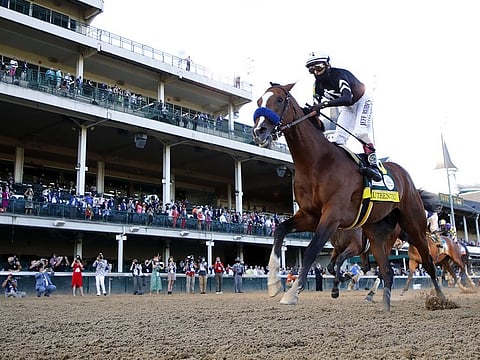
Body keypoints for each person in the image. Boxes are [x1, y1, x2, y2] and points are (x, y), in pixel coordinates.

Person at [305, 51, 382, 182]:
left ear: (327, 65)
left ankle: (374, 166)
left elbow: (347, 98)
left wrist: (323, 104)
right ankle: (338, 167)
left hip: (362, 100)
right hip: (348, 107)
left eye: (318, 68)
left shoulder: (338, 75)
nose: (316, 73)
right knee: (338, 139)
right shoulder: (316, 86)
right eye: (312, 70)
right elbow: (315, 110)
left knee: (360, 132)